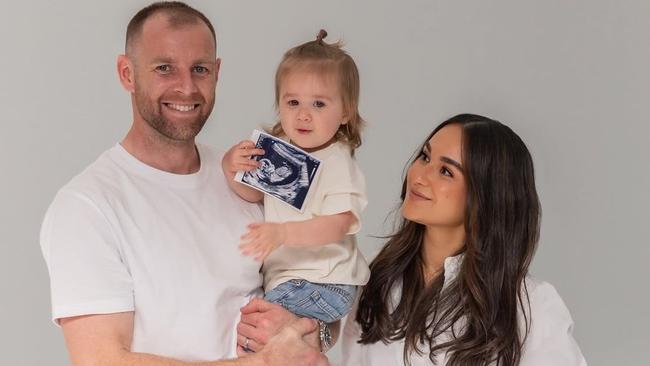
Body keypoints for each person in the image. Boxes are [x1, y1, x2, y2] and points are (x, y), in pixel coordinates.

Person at [39, 2, 326, 365]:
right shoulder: (86, 206)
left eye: (200, 69)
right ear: (127, 73)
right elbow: (100, 359)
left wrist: (306, 329)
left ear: (217, 72)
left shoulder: (247, 176)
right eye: (164, 68)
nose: (187, 87)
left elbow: (323, 283)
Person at [341, 114, 588, 365]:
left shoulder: (529, 305)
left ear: (485, 197)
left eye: (446, 171)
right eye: (425, 157)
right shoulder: (376, 274)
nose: (419, 176)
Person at [222, 30, 369, 352]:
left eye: (319, 104)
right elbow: (251, 195)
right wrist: (231, 167)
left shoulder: (336, 161)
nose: (303, 114)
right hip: (292, 281)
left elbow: (339, 223)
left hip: (325, 281)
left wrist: (283, 233)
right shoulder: (281, 153)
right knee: (257, 334)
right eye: (293, 102)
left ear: (345, 111)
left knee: (256, 332)